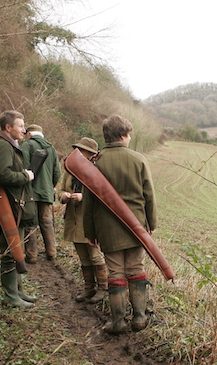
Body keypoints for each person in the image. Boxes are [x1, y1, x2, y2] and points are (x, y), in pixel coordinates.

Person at [83, 115, 157, 334]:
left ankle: (117, 322)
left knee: (114, 272)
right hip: (136, 226)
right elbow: (149, 195)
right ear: (124, 135)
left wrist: (90, 231)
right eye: (130, 134)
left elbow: (88, 201)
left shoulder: (95, 162)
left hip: (106, 228)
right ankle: (140, 318)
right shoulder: (138, 159)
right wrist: (151, 223)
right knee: (136, 269)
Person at [0, 110, 38, 308]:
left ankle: (18, 291)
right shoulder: (2, 145)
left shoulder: (10, 144)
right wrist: (25, 176)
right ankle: (11, 297)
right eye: (20, 126)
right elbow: (1, 174)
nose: (23, 129)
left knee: (15, 248)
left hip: (13, 205)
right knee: (10, 250)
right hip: (7, 207)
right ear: (8, 127)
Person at [57, 137, 107, 303]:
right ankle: (89, 288)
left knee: (95, 256)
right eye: (77, 149)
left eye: (82, 150)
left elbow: (102, 194)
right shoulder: (69, 170)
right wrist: (63, 196)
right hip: (73, 218)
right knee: (83, 257)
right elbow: (61, 190)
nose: (77, 152)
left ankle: (103, 289)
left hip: (89, 219)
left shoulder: (97, 171)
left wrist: (83, 197)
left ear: (91, 155)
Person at [21, 124, 61, 263]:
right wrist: (50, 187)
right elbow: (57, 172)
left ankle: (31, 256)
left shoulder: (26, 146)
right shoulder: (52, 148)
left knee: (30, 223)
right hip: (46, 192)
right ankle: (51, 253)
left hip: (30, 191)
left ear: (29, 134)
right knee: (47, 222)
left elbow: (23, 168)